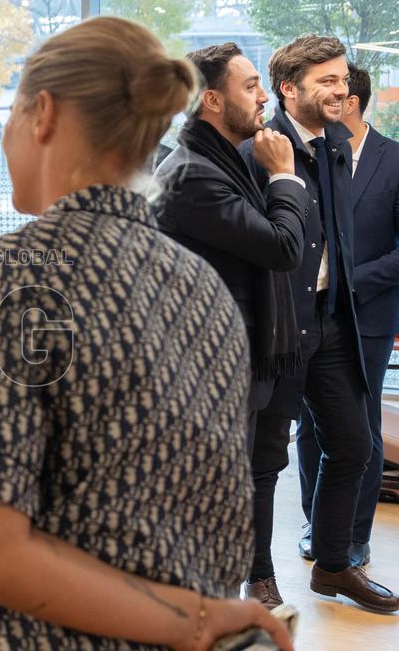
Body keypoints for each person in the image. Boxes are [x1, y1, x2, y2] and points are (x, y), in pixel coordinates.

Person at [0, 16, 295, 650]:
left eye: (8, 113)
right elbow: (126, 490)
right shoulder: (201, 287)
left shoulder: (1, 276)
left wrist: (193, 619)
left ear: (42, 114)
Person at [242, 35, 398, 613]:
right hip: (279, 328)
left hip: (333, 319)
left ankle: (333, 566)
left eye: (342, 80)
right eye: (327, 81)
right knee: (265, 462)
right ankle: (258, 579)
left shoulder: (334, 142)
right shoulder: (257, 148)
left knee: (354, 446)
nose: (342, 90)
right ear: (290, 87)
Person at [153, 42, 308, 607]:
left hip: (235, 362)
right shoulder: (193, 174)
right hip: (210, 371)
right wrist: (286, 178)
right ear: (212, 100)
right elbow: (283, 247)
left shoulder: (224, 159)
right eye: (250, 86)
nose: (264, 95)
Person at [296, 63, 399, 570]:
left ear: (350, 102)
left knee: (362, 425)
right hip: (313, 314)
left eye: (337, 89)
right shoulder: (307, 155)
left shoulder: (395, 160)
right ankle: (317, 525)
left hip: (371, 314)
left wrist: (347, 281)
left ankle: (355, 535)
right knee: (310, 426)